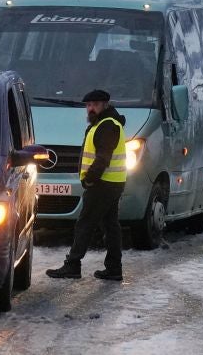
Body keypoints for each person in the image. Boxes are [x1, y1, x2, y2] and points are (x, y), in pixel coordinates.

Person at [47, 89, 127, 281]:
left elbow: (103, 158)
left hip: (102, 184)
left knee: (85, 223)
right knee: (110, 226)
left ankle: (73, 265)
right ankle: (114, 268)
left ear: (105, 105)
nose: (91, 108)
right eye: (88, 105)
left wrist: (90, 178)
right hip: (111, 183)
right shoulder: (103, 124)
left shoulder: (107, 125)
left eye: (95, 105)